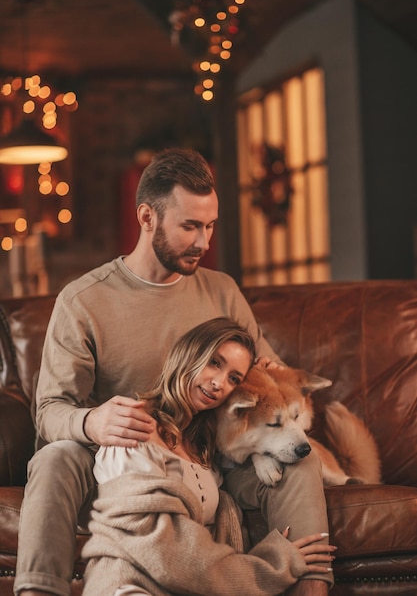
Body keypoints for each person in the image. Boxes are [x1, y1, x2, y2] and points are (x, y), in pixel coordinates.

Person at [15, 147, 333, 596]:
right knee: (54, 457)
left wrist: (276, 375)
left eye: (210, 226)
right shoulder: (83, 301)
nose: (204, 241)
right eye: (190, 226)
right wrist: (93, 420)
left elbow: (264, 374)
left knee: (298, 462)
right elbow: (49, 411)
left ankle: (312, 586)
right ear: (147, 218)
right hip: (123, 458)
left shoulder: (222, 290)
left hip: (208, 454)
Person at [82, 317, 335, 596]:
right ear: (188, 355)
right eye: (214, 362)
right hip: (130, 587)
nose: (218, 383)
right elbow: (164, 552)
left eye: (233, 378)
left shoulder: (205, 452)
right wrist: (273, 563)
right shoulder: (132, 429)